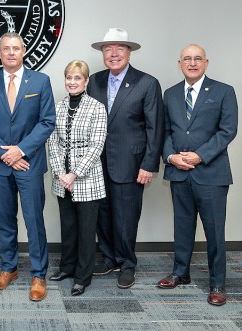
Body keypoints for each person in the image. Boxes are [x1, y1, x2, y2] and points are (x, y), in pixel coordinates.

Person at [0, 32, 56, 302]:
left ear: (24, 51)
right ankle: (8, 268)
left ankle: (38, 273)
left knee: (34, 220)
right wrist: (6, 155)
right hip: (1, 165)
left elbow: (47, 122)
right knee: (5, 219)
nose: (10, 53)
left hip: (29, 163)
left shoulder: (41, 81)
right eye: (5, 49)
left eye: (15, 48)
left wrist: (20, 151)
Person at [157, 44, 237, 307]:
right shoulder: (169, 94)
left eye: (197, 59)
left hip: (211, 173)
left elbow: (227, 131)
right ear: (179, 64)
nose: (192, 63)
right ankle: (181, 272)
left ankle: (217, 282)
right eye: (187, 59)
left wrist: (200, 155)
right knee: (182, 227)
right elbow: (164, 132)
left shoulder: (224, 91)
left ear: (206, 62)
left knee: (214, 231)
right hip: (179, 172)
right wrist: (171, 157)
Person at [87, 28, 164, 289]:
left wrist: (149, 164)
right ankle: (109, 258)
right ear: (102, 54)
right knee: (103, 214)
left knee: (126, 217)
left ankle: (127, 263)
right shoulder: (94, 81)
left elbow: (156, 128)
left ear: (129, 52)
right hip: (97, 163)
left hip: (131, 164)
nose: (114, 54)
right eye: (108, 49)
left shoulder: (146, 82)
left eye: (120, 48)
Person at [47, 60, 107, 296]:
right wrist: (61, 173)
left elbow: (97, 145)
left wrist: (74, 173)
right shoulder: (58, 106)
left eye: (77, 78)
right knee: (68, 227)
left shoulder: (96, 107)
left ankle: (82, 277)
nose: (72, 82)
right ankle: (67, 268)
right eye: (69, 78)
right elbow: (52, 141)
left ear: (86, 81)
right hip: (62, 180)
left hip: (87, 178)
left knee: (85, 229)